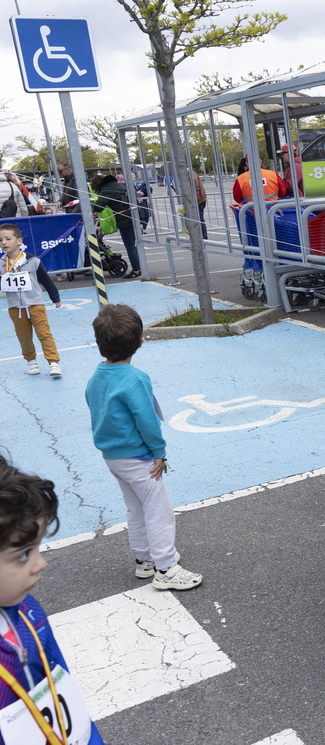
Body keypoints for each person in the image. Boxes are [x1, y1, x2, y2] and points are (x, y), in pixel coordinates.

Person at [84, 304, 202, 591]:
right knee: (158, 510)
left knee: (135, 507)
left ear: (99, 343)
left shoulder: (96, 377)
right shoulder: (136, 379)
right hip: (139, 458)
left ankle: (145, 560)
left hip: (113, 458)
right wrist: (159, 452)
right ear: (139, 341)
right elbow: (147, 421)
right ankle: (165, 568)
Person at [0, 454, 106, 745]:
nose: (41, 563)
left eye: (37, 548)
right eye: (23, 554)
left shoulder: (27, 611)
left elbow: (62, 690)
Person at [0, 223, 62, 378]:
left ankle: (53, 362)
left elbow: (45, 280)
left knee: (44, 333)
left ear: (19, 241)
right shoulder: (1, 264)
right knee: (23, 336)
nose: (4, 243)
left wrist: (55, 297)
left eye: (8, 238)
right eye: (0, 240)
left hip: (35, 304)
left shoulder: (33, 260)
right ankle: (31, 361)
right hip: (15, 307)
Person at [91, 174, 141, 278]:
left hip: (125, 219)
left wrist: (90, 204)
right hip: (135, 216)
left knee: (130, 245)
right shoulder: (119, 185)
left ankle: (136, 270)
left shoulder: (106, 190)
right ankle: (140, 267)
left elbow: (98, 207)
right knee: (135, 244)